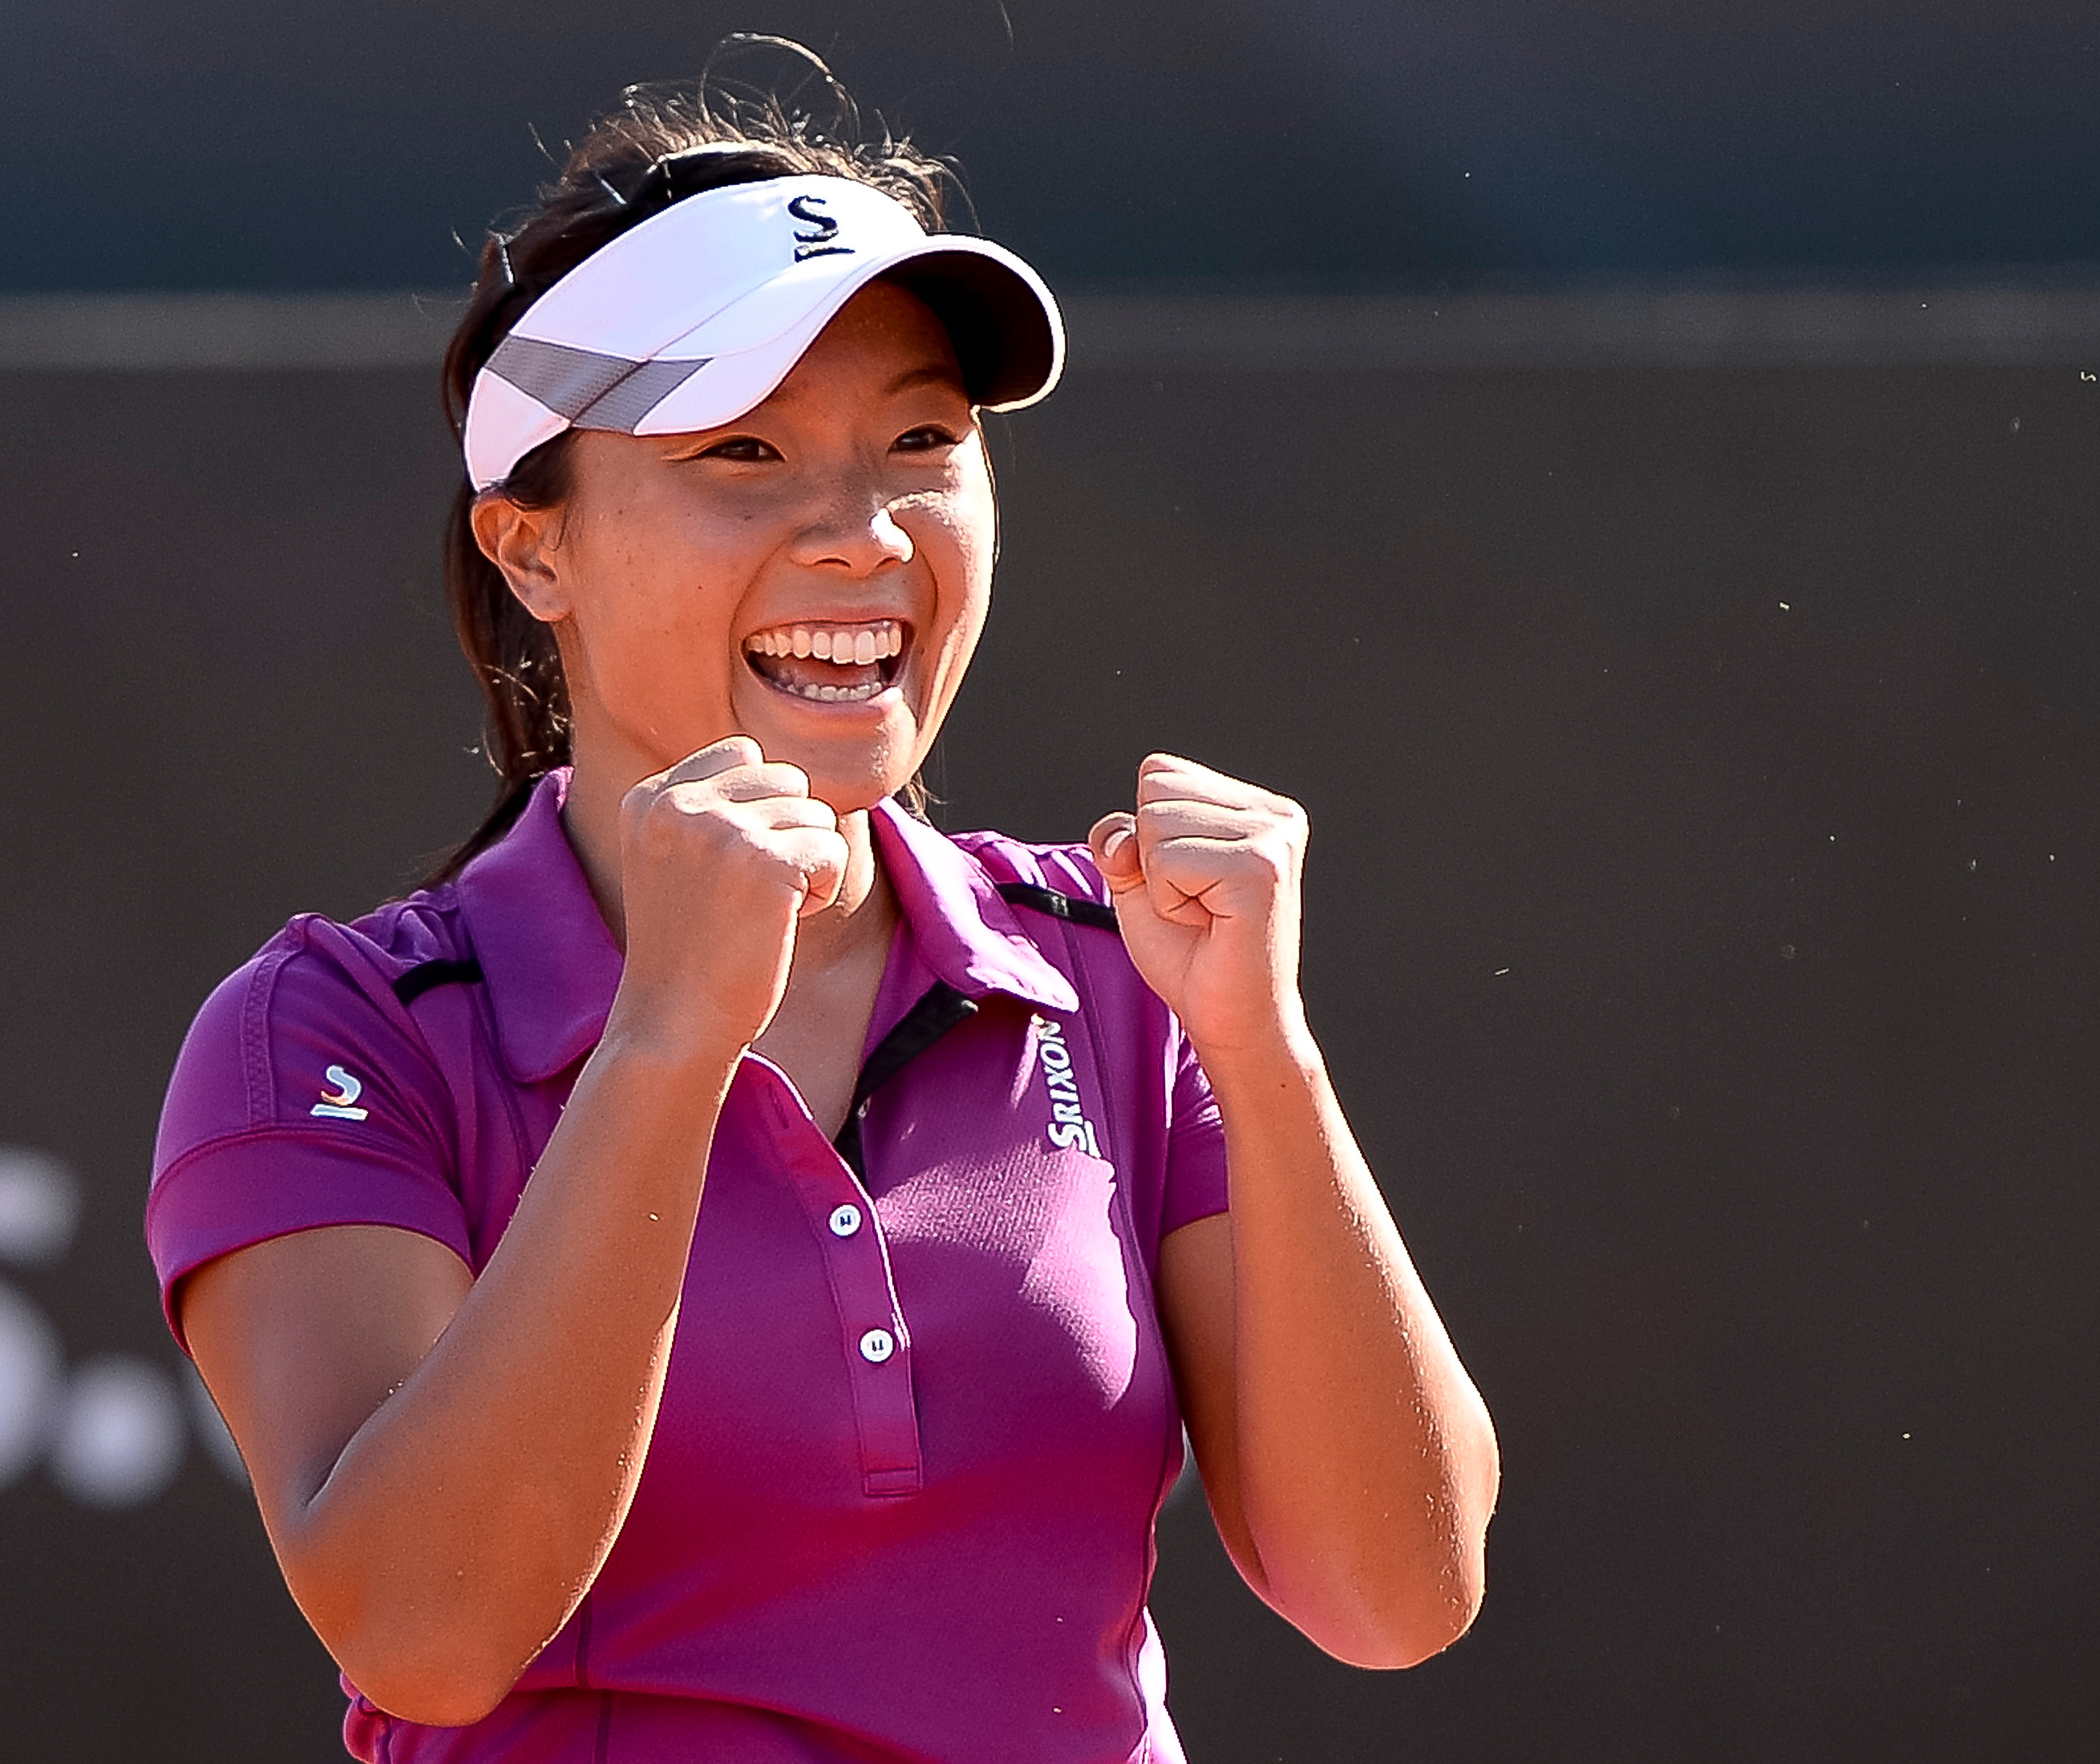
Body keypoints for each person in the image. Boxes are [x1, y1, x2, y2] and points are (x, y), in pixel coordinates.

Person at [148, 68, 1499, 1764]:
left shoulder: (1126, 968)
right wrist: (666, 1041)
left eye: (923, 443)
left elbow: (1395, 1593)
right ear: (532, 547)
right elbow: (425, 1629)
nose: (863, 535)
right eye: (744, 450)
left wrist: (1268, 1054)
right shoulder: (333, 1033)